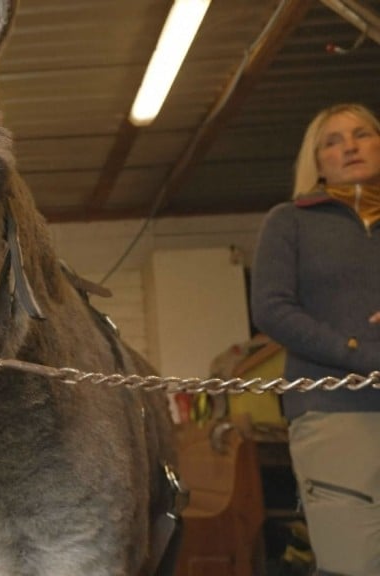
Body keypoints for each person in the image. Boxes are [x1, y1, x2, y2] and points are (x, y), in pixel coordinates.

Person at [251, 102, 380, 576]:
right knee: (354, 560)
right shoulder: (291, 221)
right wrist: (356, 353)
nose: (350, 146)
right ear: (317, 160)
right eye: (333, 140)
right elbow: (272, 309)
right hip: (335, 410)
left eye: (362, 134)